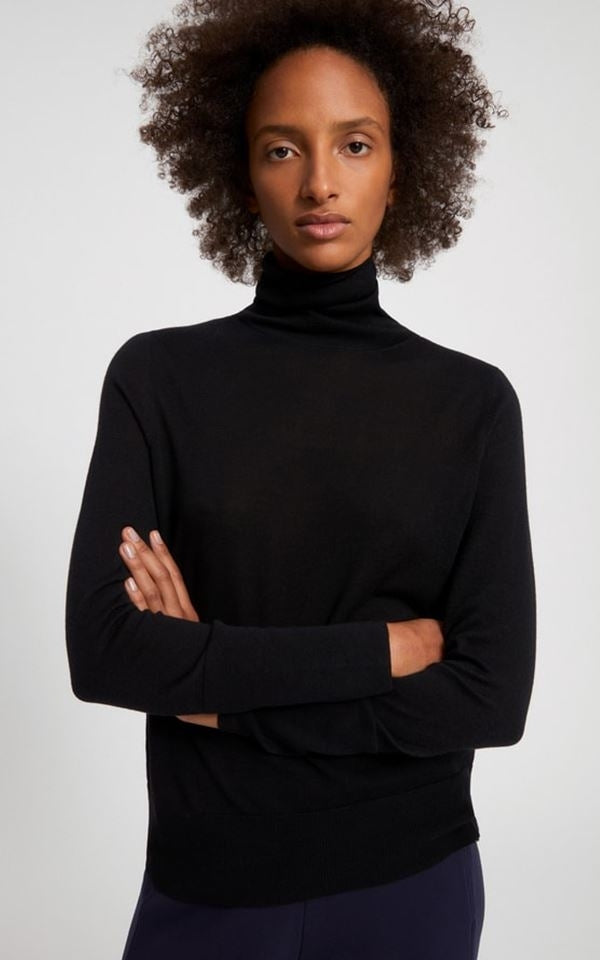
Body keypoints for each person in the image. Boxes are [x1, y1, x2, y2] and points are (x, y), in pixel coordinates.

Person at [64, 1, 536, 957]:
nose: (320, 181)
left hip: (411, 882)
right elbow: (108, 653)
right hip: (209, 882)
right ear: (242, 176)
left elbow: (490, 698)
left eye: (355, 145)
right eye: (282, 149)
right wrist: (383, 650)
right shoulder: (158, 380)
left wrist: (214, 688)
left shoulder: (472, 404)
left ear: (402, 168)